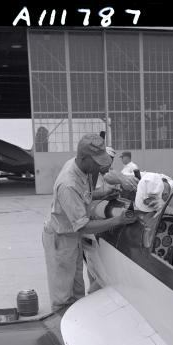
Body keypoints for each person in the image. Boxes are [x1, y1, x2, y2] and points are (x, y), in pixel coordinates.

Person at [42, 134, 136, 313]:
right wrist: (118, 220)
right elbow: (83, 226)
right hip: (61, 239)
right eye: (97, 162)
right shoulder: (68, 184)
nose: (100, 166)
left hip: (72, 236)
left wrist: (104, 192)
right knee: (63, 297)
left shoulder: (81, 167)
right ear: (84, 158)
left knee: (77, 292)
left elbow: (85, 195)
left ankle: (76, 320)